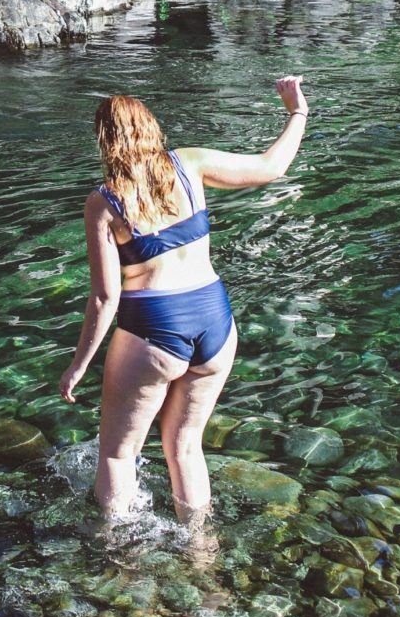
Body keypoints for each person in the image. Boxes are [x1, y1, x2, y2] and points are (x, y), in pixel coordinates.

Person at [58, 76, 309, 520]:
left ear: (105, 140)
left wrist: (78, 366)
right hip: (215, 323)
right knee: (185, 447)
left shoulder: (104, 202)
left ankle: (120, 563)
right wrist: (296, 110)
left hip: (153, 329)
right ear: (152, 129)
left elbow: (104, 298)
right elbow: (273, 167)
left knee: (118, 454)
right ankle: (200, 551)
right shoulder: (190, 164)